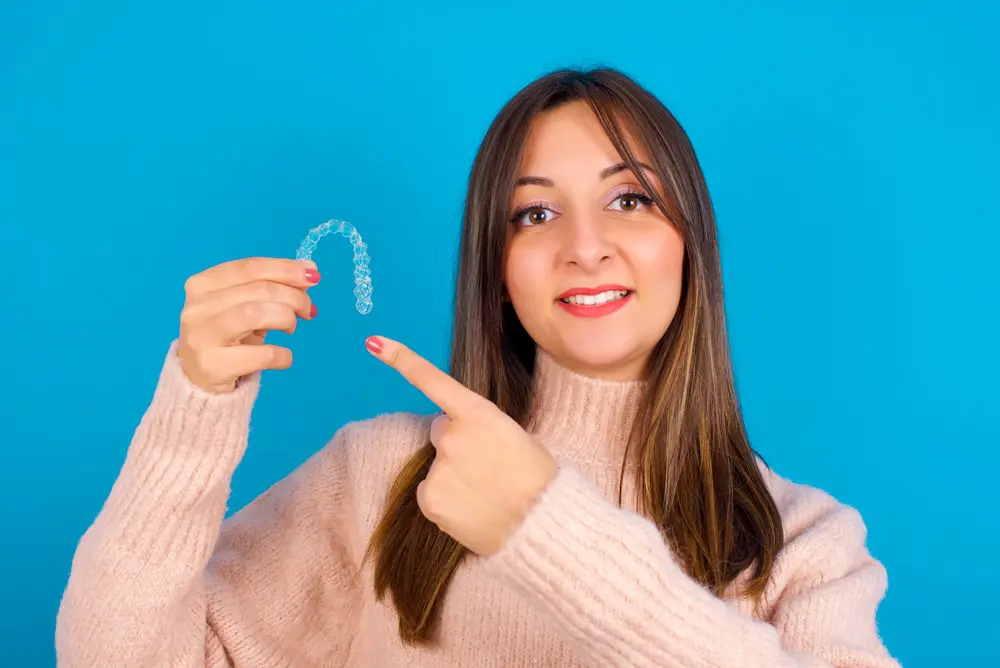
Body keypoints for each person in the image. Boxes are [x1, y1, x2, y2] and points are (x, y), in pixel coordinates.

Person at [55, 67, 901, 667]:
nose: (586, 247)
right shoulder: (378, 476)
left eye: (630, 199)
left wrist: (549, 528)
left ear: (690, 243)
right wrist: (193, 410)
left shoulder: (809, 542)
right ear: (496, 268)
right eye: (535, 213)